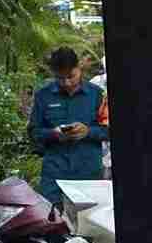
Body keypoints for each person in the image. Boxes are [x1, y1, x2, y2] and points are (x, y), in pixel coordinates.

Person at [28, 46, 108, 207]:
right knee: (52, 220)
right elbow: (34, 132)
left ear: (79, 68)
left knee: (89, 221)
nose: (66, 82)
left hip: (88, 173)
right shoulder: (43, 96)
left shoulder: (98, 95)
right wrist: (53, 134)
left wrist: (88, 132)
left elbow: (109, 131)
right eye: (60, 78)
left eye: (71, 76)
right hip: (55, 174)